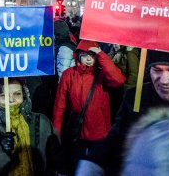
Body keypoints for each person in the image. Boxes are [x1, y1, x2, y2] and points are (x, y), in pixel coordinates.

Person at [0, 77, 62, 176]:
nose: (11, 100)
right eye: (3, 95)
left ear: (25, 94)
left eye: (17, 94)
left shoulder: (42, 121)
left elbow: (57, 163)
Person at [52, 40, 125, 175]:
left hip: (100, 135)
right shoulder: (69, 74)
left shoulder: (102, 74)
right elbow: (59, 105)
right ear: (78, 55)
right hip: (76, 134)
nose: (89, 58)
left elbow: (119, 80)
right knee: (76, 168)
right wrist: (57, 132)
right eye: (85, 55)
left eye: (92, 55)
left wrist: (101, 54)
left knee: (97, 169)